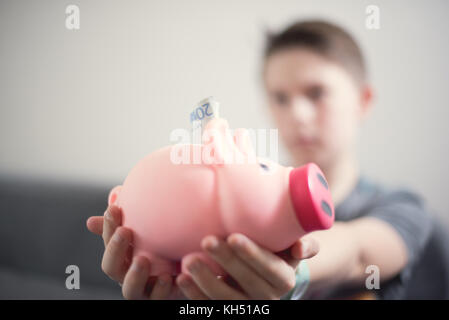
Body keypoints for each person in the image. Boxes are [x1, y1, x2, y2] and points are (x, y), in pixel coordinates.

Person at [86, 20, 433, 300]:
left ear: (363, 100)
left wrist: (293, 270)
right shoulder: (227, 204)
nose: (297, 113)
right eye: (280, 97)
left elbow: (357, 252)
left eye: (317, 93)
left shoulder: (404, 207)